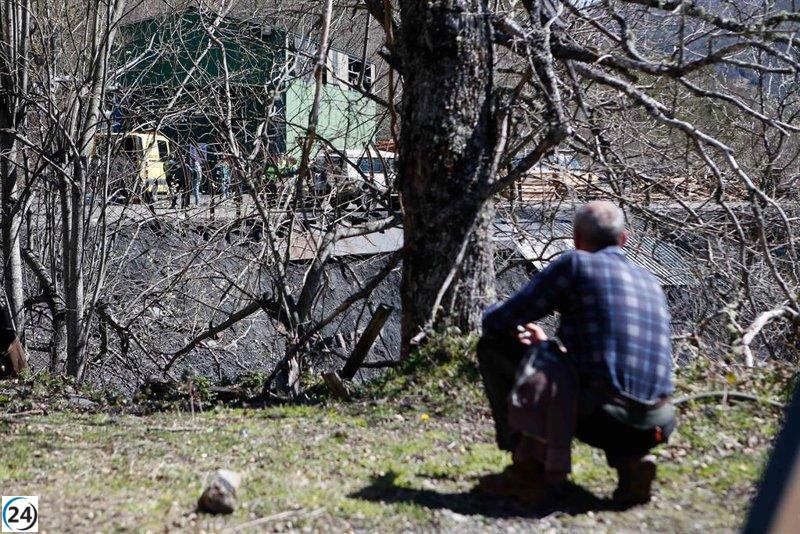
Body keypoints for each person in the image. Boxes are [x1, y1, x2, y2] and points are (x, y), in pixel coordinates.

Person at [477, 201, 676, 506]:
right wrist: (551, 346)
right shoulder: (650, 280)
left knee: (495, 346)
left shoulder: (575, 264)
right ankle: (631, 464)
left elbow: (497, 322)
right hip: (658, 421)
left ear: (577, 238)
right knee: (613, 385)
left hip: (601, 416)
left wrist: (541, 349)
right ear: (624, 239)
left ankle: (528, 469)